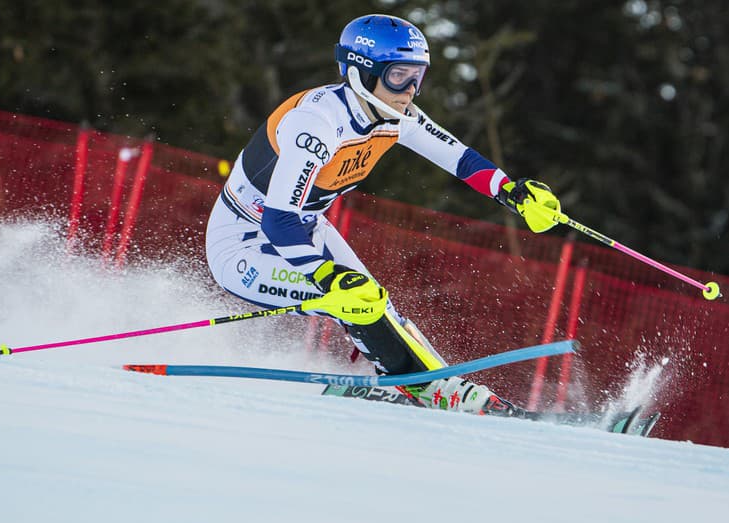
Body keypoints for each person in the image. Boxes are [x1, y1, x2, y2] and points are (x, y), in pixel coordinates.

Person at [205, 14, 562, 415]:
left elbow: (456, 156)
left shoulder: (395, 115)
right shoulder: (317, 122)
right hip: (243, 244)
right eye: (398, 76)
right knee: (360, 300)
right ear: (361, 72)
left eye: (417, 77)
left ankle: (435, 386)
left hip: (307, 230)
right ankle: (427, 387)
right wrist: (327, 275)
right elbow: (278, 219)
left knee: (378, 305)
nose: (410, 90)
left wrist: (510, 191)